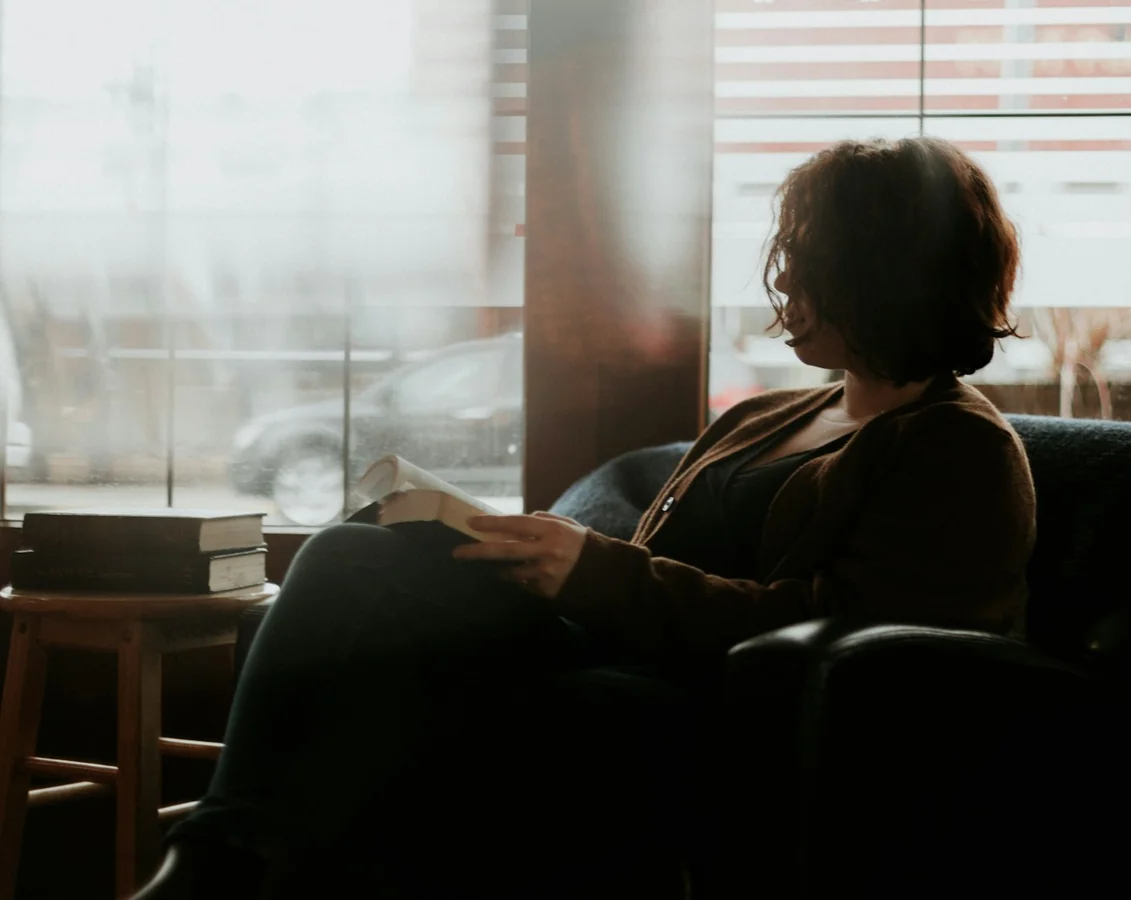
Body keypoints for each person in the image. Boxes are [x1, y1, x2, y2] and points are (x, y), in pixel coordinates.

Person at [133, 136, 1036, 899]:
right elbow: (651, 560)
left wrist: (593, 572)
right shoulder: (771, 413)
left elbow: (855, 643)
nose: (785, 281)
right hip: (611, 639)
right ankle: (232, 856)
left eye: (812, 263)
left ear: (882, 276)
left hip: (707, 692)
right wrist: (532, 551)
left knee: (372, 608)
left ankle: (222, 867)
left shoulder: (957, 449)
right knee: (354, 550)